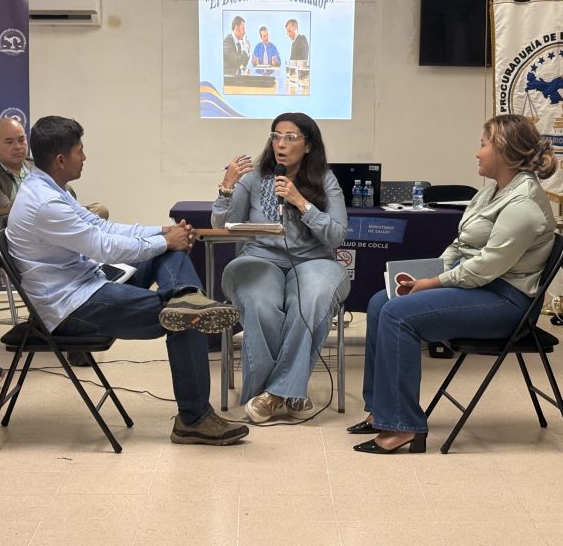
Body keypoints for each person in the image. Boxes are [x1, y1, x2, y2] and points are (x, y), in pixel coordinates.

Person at [6, 115, 249, 446]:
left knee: (174, 271)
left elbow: (103, 227)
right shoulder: (45, 203)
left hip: (88, 285)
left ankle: (187, 295)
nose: (84, 157)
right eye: (79, 151)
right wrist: (166, 240)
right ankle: (194, 420)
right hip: (71, 310)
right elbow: (102, 247)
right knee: (187, 318)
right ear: (61, 159)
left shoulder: (50, 188)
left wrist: (162, 232)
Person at [348, 114, 557, 454]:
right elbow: (460, 244)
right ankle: (381, 410)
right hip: (480, 287)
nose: (477, 152)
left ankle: (402, 425)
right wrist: (431, 272)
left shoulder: (524, 205)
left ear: (503, 150)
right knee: (379, 302)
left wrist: (433, 282)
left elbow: (486, 267)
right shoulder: (492, 191)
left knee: (398, 314)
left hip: (507, 302)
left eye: (483, 144)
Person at [212, 112, 351, 423]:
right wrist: (227, 188)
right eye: (276, 136)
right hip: (259, 257)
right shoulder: (252, 178)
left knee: (311, 299)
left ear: (309, 145)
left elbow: (337, 235)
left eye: (291, 137)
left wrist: (302, 203)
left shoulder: (325, 179)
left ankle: (273, 394)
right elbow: (222, 227)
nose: (281, 144)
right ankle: (289, 391)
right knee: (259, 301)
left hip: (314, 260)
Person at [0, 118, 108, 298]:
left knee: (99, 210)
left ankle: (91, 276)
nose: (17, 146)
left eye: (21, 140)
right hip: (18, 241)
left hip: (50, 227)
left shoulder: (35, 165)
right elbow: (7, 212)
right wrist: (41, 203)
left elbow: (67, 192)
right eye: (9, 142)